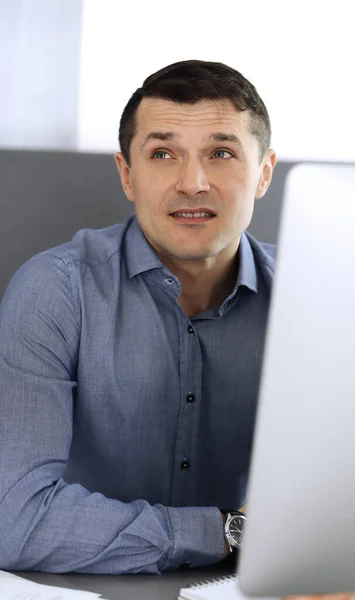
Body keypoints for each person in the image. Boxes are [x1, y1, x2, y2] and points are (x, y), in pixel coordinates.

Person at [0, 59, 276, 574]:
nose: (193, 183)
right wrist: (225, 532)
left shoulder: (310, 300)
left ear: (264, 173)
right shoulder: (54, 291)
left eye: (221, 153)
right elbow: (15, 520)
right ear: (127, 174)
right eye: (163, 153)